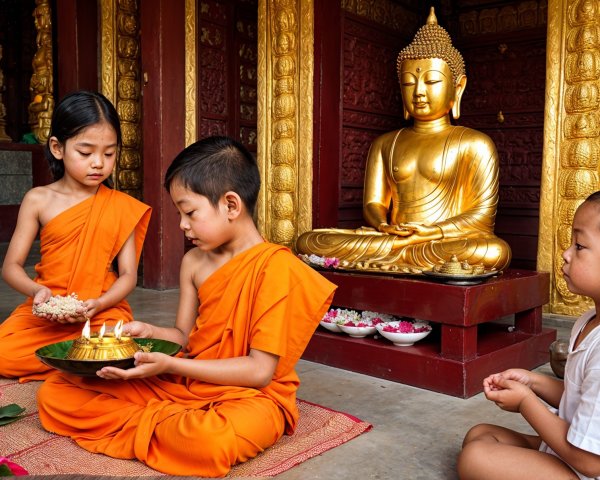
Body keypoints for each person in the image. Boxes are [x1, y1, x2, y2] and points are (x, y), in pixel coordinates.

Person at [36, 136, 337, 477]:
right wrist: (149, 332)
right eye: (180, 213)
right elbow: (182, 335)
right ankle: (168, 426)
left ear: (231, 205)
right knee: (55, 392)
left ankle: (161, 425)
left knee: (210, 441)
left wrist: (170, 367)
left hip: (249, 396)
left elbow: (259, 371)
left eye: (190, 212)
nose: (182, 224)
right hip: (185, 381)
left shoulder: (276, 267)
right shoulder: (194, 262)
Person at [296, 7, 511, 272]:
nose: (419, 91)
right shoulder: (386, 143)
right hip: (392, 240)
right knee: (312, 240)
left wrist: (431, 232)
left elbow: (482, 217)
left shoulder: (475, 144)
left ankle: (384, 263)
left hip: (440, 242)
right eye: (409, 83)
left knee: (493, 251)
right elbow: (374, 203)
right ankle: (398, 261)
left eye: (431, 81)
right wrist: (383, 225)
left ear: (458, 87)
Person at [0, 91, 151, 381]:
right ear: (57, 147)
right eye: (86, 153)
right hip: (47, 312)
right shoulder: (38, 199)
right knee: (4, 354)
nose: (99, 163)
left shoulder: (120, 205)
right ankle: (76, 363)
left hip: (101, 312)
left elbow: (129, 275)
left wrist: (100, 304)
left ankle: (69, 360)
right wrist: (38, 294)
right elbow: (11, 267)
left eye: (109, 153)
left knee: (117, 347)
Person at [457, 191, 600, 480]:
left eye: (580, 245)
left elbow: (590, 461)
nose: (566, 253)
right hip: (570, 453)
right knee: (481, 434)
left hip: (586, 467)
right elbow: (580, 401)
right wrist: (533, 382)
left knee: (476, 457)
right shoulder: (588, 322)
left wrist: (526, 403)